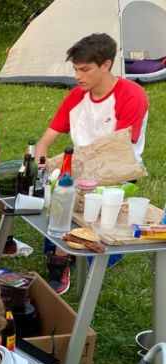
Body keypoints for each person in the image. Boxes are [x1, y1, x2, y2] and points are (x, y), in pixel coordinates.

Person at [35, 33, 149, 295]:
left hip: (117, 172)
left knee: (72, 217)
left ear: (106, 65)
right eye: (75, 69)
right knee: (53, 204)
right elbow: (45, 141)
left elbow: (115, 151)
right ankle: (65, 253)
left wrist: (70, 180)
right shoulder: (77, 96)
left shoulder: (131, 94)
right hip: (79, 170)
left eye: (85, 69)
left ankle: (65, 260)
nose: (78, 76)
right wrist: (41, 169)